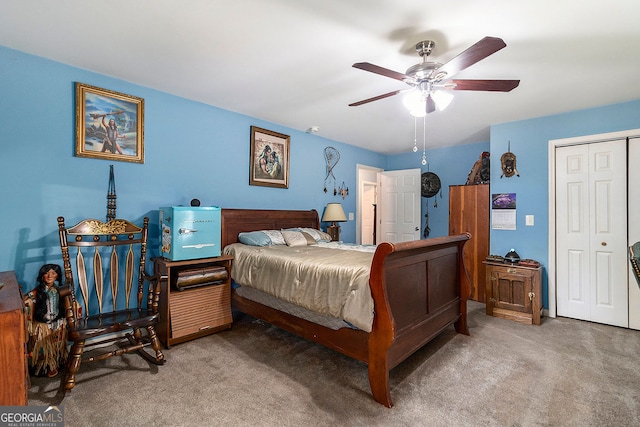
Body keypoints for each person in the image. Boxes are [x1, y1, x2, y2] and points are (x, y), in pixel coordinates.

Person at [23, 264, 68, 377]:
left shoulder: (59, 290)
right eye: (47, 273)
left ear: (57, 276)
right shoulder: (39, 291)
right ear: (42, 275)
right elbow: (27, 299)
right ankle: (46, 366)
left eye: (53, 273)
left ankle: (57, 362)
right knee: (44, 346)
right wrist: (28, 303)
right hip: (44, 324)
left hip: (57, 322)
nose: (50, 276)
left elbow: (67, 301)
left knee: (56, 344)